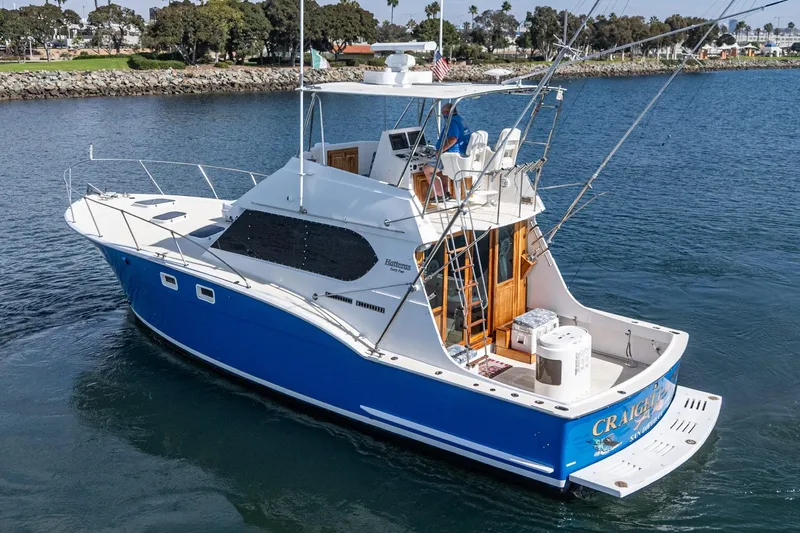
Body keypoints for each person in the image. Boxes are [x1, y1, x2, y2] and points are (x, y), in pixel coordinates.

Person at [423, 103, 472, 200]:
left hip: (451, 156)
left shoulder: (452, 122)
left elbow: (453, 138)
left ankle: (440, 195)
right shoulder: (461, 120)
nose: (443, 115)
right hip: (461, 154)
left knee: (427, 169)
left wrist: (440, 150)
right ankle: (446, 192)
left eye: (443, 113)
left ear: (447, 113)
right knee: (441, 170)